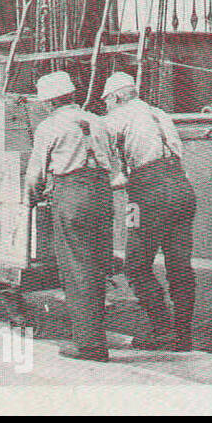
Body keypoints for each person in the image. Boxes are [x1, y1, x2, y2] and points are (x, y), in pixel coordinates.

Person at [24, 71, 120, 361]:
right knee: (97, 264)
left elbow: (36, 175)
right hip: (103, 196)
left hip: (72, 195)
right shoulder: (100, 122)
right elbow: (114, 164)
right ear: (72, 97)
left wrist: (29, 200)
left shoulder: (49, 127)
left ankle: (89, 345)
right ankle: (95, 335)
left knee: (77, 269)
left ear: (49, 103)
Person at [101, 72, 197, 352]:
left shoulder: (118, 116)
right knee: (179, 266)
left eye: (107, 101)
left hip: (150, 195)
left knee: (135, 265)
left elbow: (95, 142)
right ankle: (183, 335)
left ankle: (162, 329)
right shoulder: (159, 113)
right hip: (182, 190)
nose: (106, 107)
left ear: (117, 97)